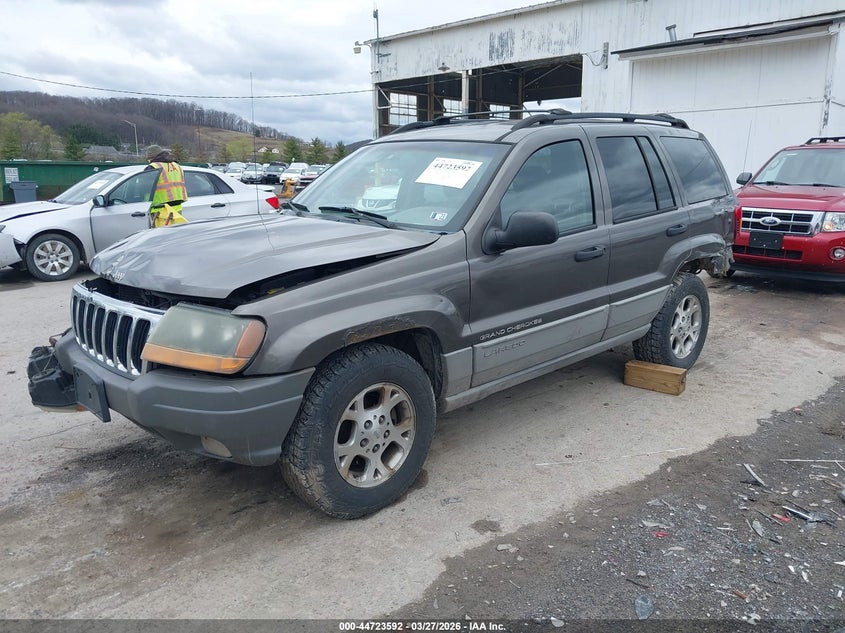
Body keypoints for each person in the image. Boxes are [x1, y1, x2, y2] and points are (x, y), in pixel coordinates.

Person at [145, 147, 188, 227]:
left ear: (152, 157)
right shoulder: (177, 165)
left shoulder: (153, 167)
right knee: (176, 235)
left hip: (160, 210)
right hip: (177, 208)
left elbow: (145, 188)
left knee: (160, 237)